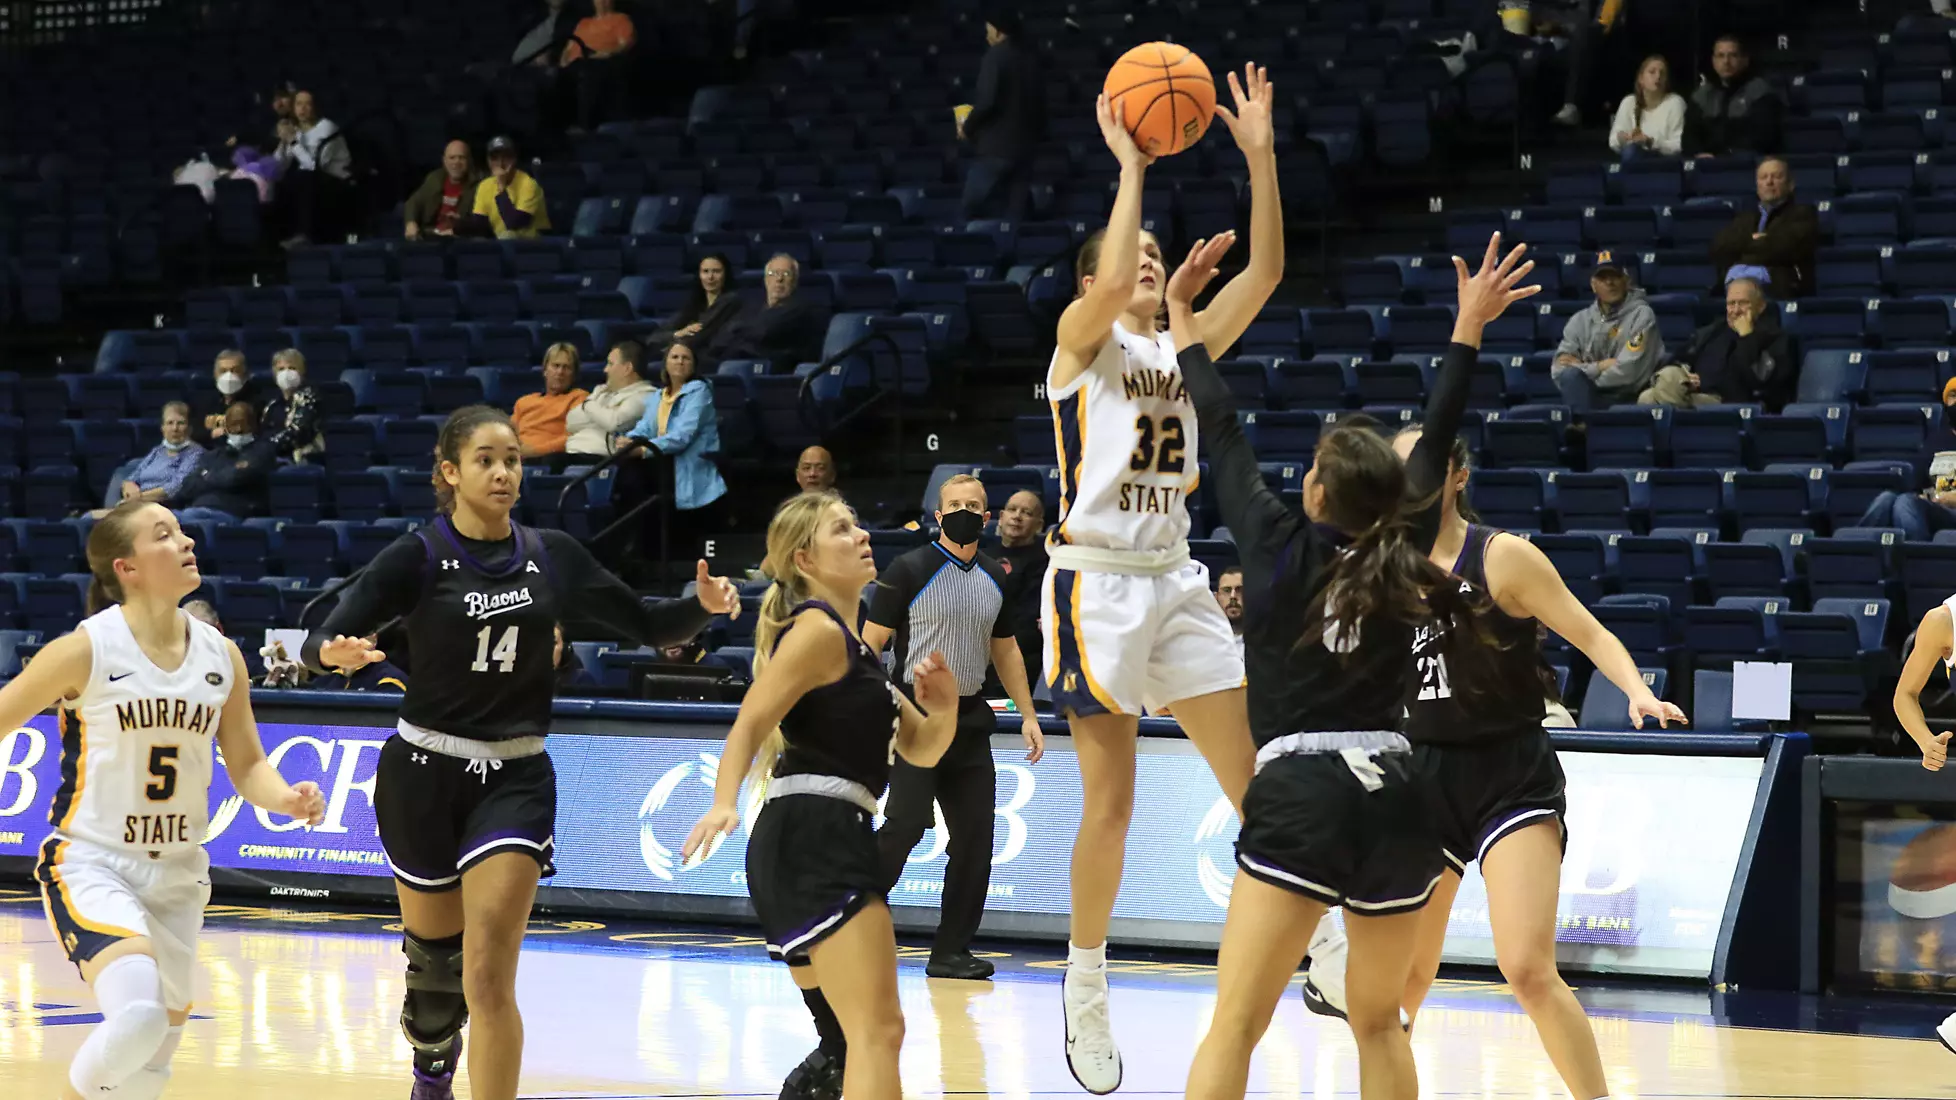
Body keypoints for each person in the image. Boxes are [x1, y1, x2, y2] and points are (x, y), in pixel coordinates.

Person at [1173, 230, 1536, 1100]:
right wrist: (1468, 328)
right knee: (1378, 1021)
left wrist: (1182, 315)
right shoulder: (1405, 545)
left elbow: (1217, 423)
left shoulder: (1270, 541)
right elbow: (1439, 427)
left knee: (1238, 1024)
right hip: (1401, 792)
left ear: (1315, 494)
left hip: (1304, 790)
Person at [301, 404, 741, 1100]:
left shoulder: (552, 555)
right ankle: (432, 1069)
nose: (504, 472)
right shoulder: (417, 555)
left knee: (487, 973)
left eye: (512, 460)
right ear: (450, 472)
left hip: (515, 777)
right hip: (421, 772)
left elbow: (650, 624)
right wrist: (330, 653)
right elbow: (321, 637)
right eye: (486, 460)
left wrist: (704, 607)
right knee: (436, 980)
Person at [1301, 422, 1685, 1100]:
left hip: (1508, 776)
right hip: (1421, 779)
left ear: (1457, 476)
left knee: (1527, 967)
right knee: (1402, 981)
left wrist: (1637, 690)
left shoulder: (1502, 557)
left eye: (1427, 465)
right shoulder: (1380, 564)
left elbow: (1589, 631)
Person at [1041, 67, 1280, 1093]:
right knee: (1113, 805)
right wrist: (1130, 164)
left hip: (1175, 574)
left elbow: (1265, 272)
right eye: (1128, 253)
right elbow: (1101, 286)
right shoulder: (1079, 344)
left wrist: (1258, 155)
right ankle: (1084, 985)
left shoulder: (1183, 344)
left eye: (1152, 250)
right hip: (1094, 580)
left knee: (1261, 786)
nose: (1146, 258)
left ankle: (1303, 939)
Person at [14, 499, 325, 1100]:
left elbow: (249, 763)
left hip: (181, 874)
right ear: (126, 568)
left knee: (149, 1066)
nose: (185, 542)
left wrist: (285, 798)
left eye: (182, 531)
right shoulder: (85, 649)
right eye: (164, 535)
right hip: (92, 861)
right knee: (138, 1016)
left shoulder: (221, 654)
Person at [680, 491, 960, 1100]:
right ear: (805, 559)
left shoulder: (856, 648)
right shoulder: (815, 631)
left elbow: (923, 748)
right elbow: (751, 722)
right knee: (879, 1031)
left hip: (822, 834)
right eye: (842, 528)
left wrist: (944, 706)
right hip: (812, 834)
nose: (861, 534)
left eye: (857, 522)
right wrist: (724, 800)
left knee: (853, 1040)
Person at [616, 340, 729, 570]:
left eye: (685, 357)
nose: (680, 361)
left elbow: (682, 436)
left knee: (634, 474)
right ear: (665, 363)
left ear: (694, 364)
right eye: (674, 357)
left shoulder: (700, 391)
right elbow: (646, 428)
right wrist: (628, 440)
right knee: (628, 473)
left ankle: (634, 546)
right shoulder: (659, 395)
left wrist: (643, 449)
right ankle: (632, 546)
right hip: (662, 460)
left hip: (687, 464)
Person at [1639, 277, 1794, 410]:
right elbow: (1680, 357)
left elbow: (1761, 380)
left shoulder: (1773, 337)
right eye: (1731, 303)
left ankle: (1678, 432)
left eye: (1743, 303)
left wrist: (1747, 337)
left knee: (1653, 396)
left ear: (1760, 307)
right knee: (1651, 393)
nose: (1735, 310)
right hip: (1692, 394)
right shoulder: (1714, 330)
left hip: (1728, 402)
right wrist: (1687, 376)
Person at [959, 6, 1044, 222]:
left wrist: (967, 128)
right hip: (1025, 150)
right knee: (1014, 218)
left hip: (995, 149)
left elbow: (987, 101)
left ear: (997, 31)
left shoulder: (995, 56)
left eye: (988, 28)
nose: (986, 33)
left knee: (968, 209)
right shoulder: (1030, 58)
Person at [1550, 254, 1664, 412]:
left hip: (1629, 398)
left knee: (1574, 380)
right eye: (1603, 278)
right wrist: (1599, 367)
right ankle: (1582, 429)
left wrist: (1582, 373)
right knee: (1570, 378)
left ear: (1626, 280)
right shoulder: (1579, 320)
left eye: (1615, 276)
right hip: (1586, 397)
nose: (1610, 283)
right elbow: (1559, 371)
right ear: (1593, 284)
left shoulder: (1642, 315)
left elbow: (1629, 373)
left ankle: (1582, 430)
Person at [1857, 377, 1956, 540]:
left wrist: (1950, 499)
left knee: (1905, 503)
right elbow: (1919, 484)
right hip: (1936, 507)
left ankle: (1917, 559)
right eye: (1953, 396)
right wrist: (1927, 496)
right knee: (1886, 499)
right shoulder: (1936, 441)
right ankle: (1850, 548)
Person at [1709, 156, 1816, 299]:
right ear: (1757, 185)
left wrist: (1744, 250)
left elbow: (1782, 247)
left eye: (1776, 177)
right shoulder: (1745, 217)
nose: (1769, 182)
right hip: (1736, 285)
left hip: (1778, 287)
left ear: (1790, 184)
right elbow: (1719, 246)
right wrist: (1754, 240)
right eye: (1763, 177)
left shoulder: (1802, 213)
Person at [705, 254, 828, 374]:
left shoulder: (801, 310)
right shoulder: (749, 309)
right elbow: (719, 341)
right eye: (773, 274)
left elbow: (764, 331)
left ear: (795, 281)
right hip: (735, 363)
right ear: (765, 280)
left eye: (786, 274)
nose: (779, 279)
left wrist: (737, 332)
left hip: (774, 373)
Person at [165, 402, 278, 522]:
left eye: (243, 424)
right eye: (234, 424)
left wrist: (207, 475)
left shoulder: (262, 451)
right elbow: (188, 486)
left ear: (254, 426)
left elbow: (235, 478)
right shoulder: (215, 454)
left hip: (232, 513)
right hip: (196, 509)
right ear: (226, 426)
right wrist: (219, 476)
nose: (238, 429)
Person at [275, 89, 353, 248]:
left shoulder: (327, 128)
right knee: (282, 181)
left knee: (303, 177)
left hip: (337, 182)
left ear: (316, 107)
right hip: (313, 182)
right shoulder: (296, 130)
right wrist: (283, 140)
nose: (302, 109)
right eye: (298, 104)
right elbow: (280, 166)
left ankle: (305, 235)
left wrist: (292, 141)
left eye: (307, 104)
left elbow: (314, 166)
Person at [1686, 35, 1784, 157]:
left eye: (1733, 55)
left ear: (1745, 60)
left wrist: (1728, 153)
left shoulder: (1760, 92)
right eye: (1720, 56)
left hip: (1747, 164)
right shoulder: (1701, 96)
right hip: (1708, 167)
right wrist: (1698, 153)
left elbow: (1765, 138)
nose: (1726, 61)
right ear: (1713, 61)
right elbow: (1689, 139)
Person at [98, 402, 204, 515]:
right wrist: (128, 485)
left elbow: (176, 487)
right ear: (162, 428)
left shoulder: (195, 453)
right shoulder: (158, 451)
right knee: (88, 517)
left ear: (190, 428)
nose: (175, 428)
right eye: (170, 423)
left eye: (181, 423)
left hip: (159, 507)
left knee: (93, 521)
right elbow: (134, 475)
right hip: (135, 502)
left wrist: (138, 498)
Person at [991, 489, 1048, 690]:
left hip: (1020, 654)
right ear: (1001, 518)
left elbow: (1030, 618)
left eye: (1026, 512)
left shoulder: (1045, 563)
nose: (1017, 516)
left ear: (1039, 525)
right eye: (1012, 509)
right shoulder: (979, 555)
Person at [564, 340, 655, 459]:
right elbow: (571, 422)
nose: (605, 370)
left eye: (610, 364)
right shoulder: (603, 392)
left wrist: (588, 404)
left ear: (627, 368)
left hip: (601, 460)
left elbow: (614, 422)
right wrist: (602, 414)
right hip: (572, 452)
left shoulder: (645, 395)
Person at [511, 342, 589, 472]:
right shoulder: (524, 401)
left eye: (567, 367)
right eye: (556, 366)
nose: (560, 372)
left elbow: (574, 437)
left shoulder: (579, 398)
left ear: (574, 374)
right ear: (545, 370)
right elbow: (508, 433)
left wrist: (535, 451)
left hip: (547, 459)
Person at [561, 0, 636, 130]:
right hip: (574, 64)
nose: (602, 2)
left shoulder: (620, 19)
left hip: (599, 63)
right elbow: (568, 48)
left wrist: (603, 54)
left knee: (589, 74)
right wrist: (562, 62)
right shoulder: (583, 23)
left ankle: (584, 126)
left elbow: (624, 46)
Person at [466, 136, 549, 240]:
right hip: (501, 243)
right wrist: (457, 226)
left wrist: (501, 186)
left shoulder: (529, 184)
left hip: (532, 244)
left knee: (508, 236)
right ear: (488, 161)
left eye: (506, 157)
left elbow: (515, 224)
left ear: (514, 159)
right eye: (494, 158)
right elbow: (480, 224)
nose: (500, 163)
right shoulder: (484, 185)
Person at [655, 253, 743, 350]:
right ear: (699, 275)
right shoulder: (694, 304)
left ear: (726, 274)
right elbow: (655, 337)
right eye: (705, 271)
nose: (710, 277)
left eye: (716, 271)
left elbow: (701, 335)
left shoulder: (731, 301)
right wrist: (678, 334)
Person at [1609, 54, 1686, 159]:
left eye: (1662, 73)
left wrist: (1650, 142)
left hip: (1665, 163)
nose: (1658, 76)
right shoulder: (1629, 102)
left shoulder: (1675, 102)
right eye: (1652, 72)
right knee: (1631, 151)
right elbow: (1613, 141)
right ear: (1641, 79)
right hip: (1633, 157)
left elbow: (1679, 144)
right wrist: (1623, 138)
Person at [405, 140, 484, 240]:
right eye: (452, 158)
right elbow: (414, 202)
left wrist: (460, 225)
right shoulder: (434, 178)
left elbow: (482, 222)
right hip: (430, 238)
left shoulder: (480, 185)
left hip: (462, 241)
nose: (456, 162)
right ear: (444, 160)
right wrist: (411, 222)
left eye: (461, 157)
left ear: (469, 161)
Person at [189, 349, 262, 447]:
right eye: (223, 371)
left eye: (235, 370)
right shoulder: (203, 402)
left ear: (245, 375)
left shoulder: (256, 403)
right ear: (215, 375)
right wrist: (211, 434)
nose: (228, 376)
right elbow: (194, 432)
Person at [263, 348, 324, 463]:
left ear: (302, 372)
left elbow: (297, 433)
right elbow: (264, 431)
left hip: (303, 460)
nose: (286, 373)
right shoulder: (273, 405)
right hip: (273, 458)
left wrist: (266, 448)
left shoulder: (310, 398)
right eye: (281, 369)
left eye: (292, 368)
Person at [1214, 565, 1245, 658]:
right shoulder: (1204, 642)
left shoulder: (1267, 644)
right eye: (1226, 590)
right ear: (1216, 598)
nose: (1233, 596)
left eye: (1239, 590)